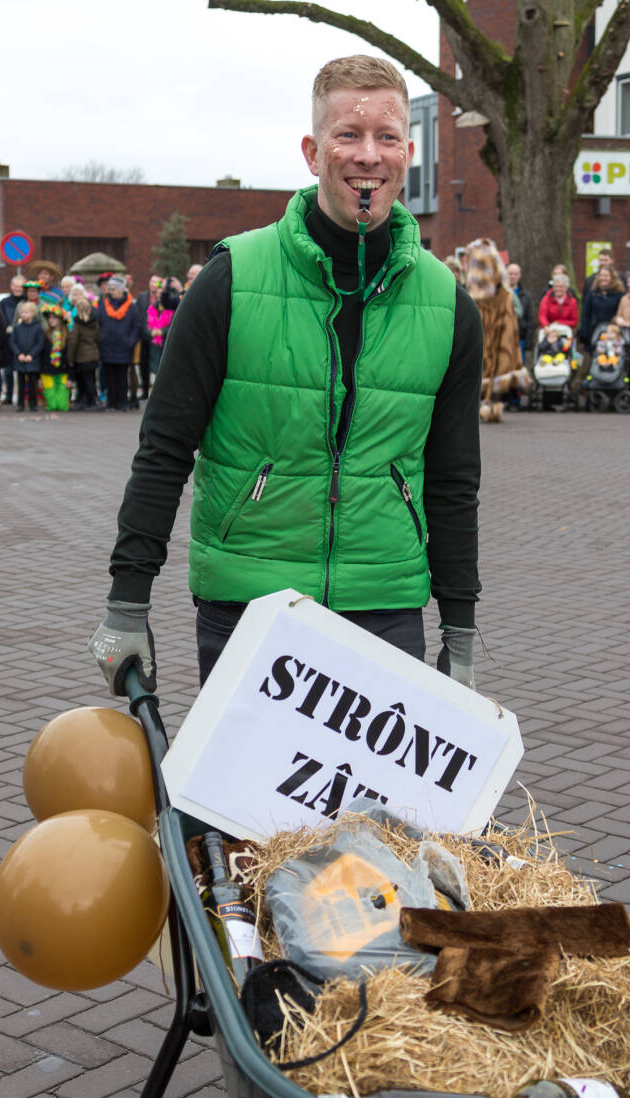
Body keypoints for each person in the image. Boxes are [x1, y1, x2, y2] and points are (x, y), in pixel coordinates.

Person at [89, 54, 483, 697]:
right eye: (347, 135)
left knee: (374, 805)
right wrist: (128, 602)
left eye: (386, 137)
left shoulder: (447, 304)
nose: (368, 155)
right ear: (312, 150)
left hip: (383, 605)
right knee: (243, 801)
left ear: (408, 153)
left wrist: (460, 631)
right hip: (251, 600)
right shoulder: (232, 279)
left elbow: (453, 477)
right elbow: (163, 447)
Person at [463, 237, 523, 423]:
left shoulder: (502, 294)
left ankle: (491, 404)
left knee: (497, 368)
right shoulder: (474, 293)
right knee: (481, 371)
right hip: (481, 341)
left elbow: (509, 325)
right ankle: (485, 404)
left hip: (498, 340)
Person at [96, 275, 142, 411]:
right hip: (107, 346)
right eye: (109, 288)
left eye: (113, 288)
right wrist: (101, 339)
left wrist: (131, 341)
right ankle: (111, 402)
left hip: (124, 347)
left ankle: (122, 402)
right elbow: (98, 324)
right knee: (109, 377)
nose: (110, 291)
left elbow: (137, 326)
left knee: (122, 377)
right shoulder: (104, 305)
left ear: (122, 290)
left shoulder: (132, 307)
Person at [9, 301, 46, 412]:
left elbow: (40, 343)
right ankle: (20, 404)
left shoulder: (38, 328)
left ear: (33, 314)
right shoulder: (17, 327)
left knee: (32, 384)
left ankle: (32, 404)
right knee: (20, 383)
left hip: (32, 360)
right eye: (22, 312)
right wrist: (18, 353)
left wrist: (31, 355)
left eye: (26, 312)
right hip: (20, 359)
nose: (23, 314)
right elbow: (12, 342)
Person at [67, 294, 101, 410]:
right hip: (93, 354)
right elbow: (97, 338)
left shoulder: (77, 324)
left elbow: (73, 342)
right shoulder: (95, 322)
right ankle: (89, 400)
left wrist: (70, 359)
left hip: (81, 356)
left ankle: (91, 401)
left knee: (84, 380)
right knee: (91, 379)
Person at [579, 264, 624, 348]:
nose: (603, 278)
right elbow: (585, 313)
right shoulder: (592, 293)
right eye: (601, 275)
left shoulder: (619, 294)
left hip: (612, 332)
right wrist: (584, 332)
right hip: (594, 332)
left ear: (612, 278)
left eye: (606, 276)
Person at [0, 276, 24, 403]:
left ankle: (22, 397)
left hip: (23, 341)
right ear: (11, 286)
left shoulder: (26, 301)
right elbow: (1, 319)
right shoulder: (4, 302)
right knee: (8, 371)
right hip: (8, 341)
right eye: (16, 286)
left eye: (20, 286)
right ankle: (8, 396)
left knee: (23, 371)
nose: (18, 289)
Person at [506, 262, 534, 364]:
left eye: (515, 274)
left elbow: (530, 319)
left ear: (519, 275)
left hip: (520, 337)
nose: (512, 276)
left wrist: (528, 341)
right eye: (510, 274)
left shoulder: (526, 295)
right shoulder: (500, 294)